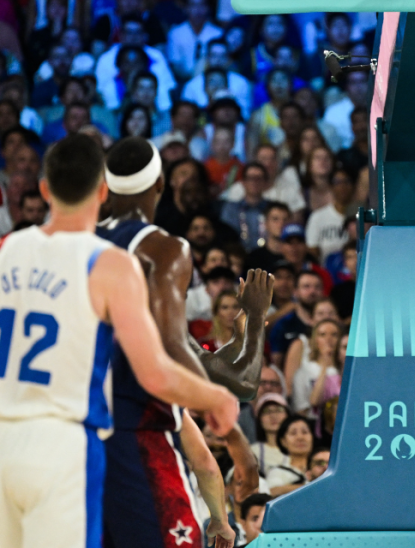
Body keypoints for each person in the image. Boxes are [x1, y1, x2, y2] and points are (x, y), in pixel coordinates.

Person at [0, 134, 239, 548]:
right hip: (63, 442)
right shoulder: (110, 263)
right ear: (101, 190)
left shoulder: (8, 248)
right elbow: (156, 371)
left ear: (43, 189)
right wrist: (215, 399)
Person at [97, 137, 271, 547]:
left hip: (71, 434)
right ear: (160, 183)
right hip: (135, 432)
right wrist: (235, 436)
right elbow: (185, 352)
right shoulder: (163, 249)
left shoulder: (76, 243)